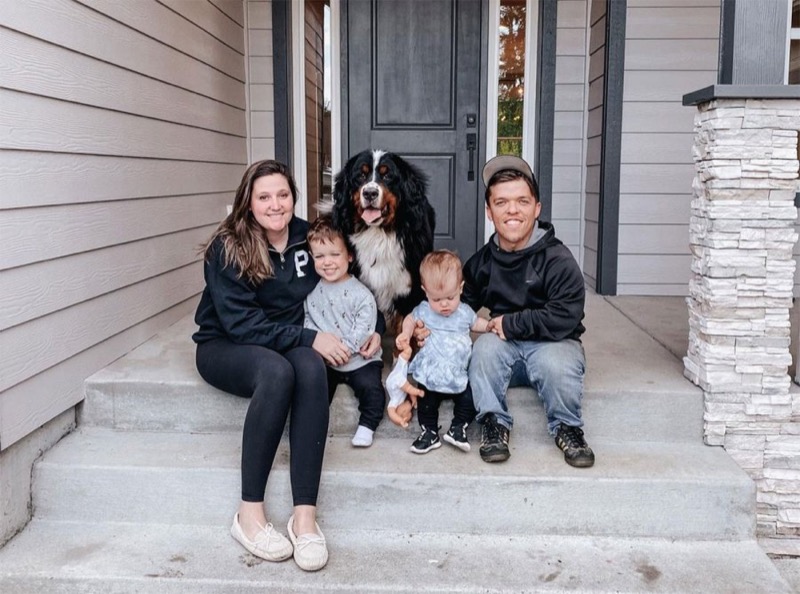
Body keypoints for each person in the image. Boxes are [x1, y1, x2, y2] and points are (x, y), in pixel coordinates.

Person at [192, 160, 380, 572]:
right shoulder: (228, 247)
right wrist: (311, 337)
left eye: (283, 194)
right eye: (264, 196)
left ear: (293, 197)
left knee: (311, 369)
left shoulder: (307, 235)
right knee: (278, 374)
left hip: (290, 337)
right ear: (248, 201)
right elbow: (242, 325)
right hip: (227, 344)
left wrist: (375, 328)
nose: (275, 204)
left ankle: (304, 519)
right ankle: (249, 515)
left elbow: (349, 277)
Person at [462, 155, 595, 468]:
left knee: (555, 363)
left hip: (554, 341)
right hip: (503, 345)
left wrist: (511, 322)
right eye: (502, 202)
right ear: (489, 211)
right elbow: (460, 305)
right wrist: (428, 324)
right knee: (483, 351)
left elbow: (566, 315)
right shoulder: (482, 261)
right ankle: (494, 424)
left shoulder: (557, 258)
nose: (512, 210)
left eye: (522, 201)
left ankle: (567, 427)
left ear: (537, 208)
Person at [395, 250, 489, 454]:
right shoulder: (423, 309)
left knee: (469, 399)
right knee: (425, 400)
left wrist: (491, 326)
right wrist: (406, 332)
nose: (444, 304)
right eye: (436, 299)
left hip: (457, 373)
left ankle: (458, 428)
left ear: (460, 289)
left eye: (450, 297)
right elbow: (410, 319)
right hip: (431, 372)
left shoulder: (464, 311)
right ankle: (429, 433)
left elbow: (477, 323)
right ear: (425, 291)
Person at [304, 216, 385, 448]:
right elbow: (308, 320)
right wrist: (324, 350)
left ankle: (367, 425)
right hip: (328, 360)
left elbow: (364, 327)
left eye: (334, 255)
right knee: (314, 387)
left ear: (349, 255)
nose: (327, 262)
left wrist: (345, 349)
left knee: (372, 389)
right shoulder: (312, 293)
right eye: (319, 256)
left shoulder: (361, 294)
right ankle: (312, 426)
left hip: (360, 358)